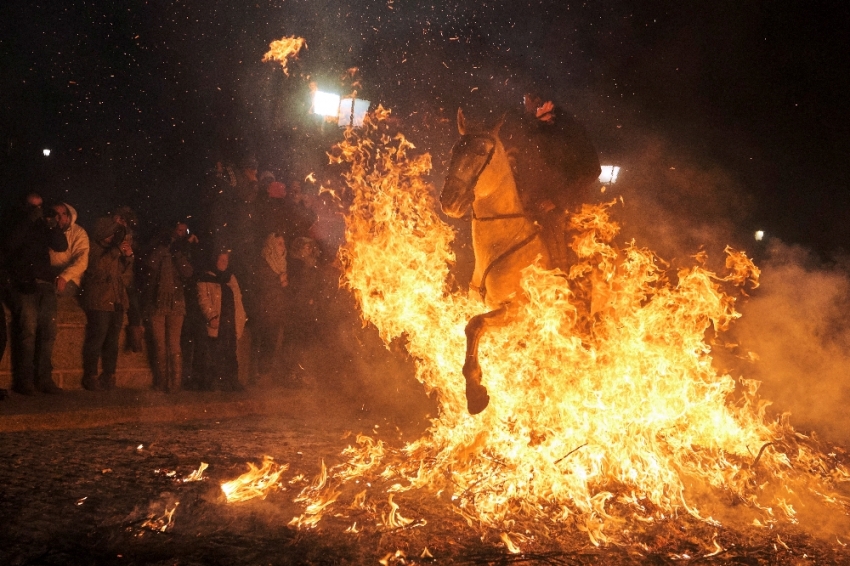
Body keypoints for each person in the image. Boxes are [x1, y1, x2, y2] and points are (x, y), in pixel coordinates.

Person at [501, 93, 601, 271]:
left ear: (541, 102)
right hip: (531, 204)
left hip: (564, 207)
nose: (525, 107)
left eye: (528, 101)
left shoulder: (569, 130)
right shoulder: (531, 130)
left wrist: (558, 200)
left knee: (556, 240)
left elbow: (591, 170)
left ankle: (565, 284)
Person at [2, 193, 69, 394]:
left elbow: (61, 245)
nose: (37, 210)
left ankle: (44, 379)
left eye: (40, 206)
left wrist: (53, 225)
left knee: (48, 332)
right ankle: (25, 380)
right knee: (28, 331)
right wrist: (27, 221)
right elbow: (9, 245)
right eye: (33, 207)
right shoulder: (12, 222)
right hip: (22, 283)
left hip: (44, 283)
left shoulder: (43, 224)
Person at [80, 216, 134, 391]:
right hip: (99, 301)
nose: (112, 236)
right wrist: (116, 252)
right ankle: (91, 375)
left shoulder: (113, 250)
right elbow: (97, 269)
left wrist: (128, 257)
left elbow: (124, 276)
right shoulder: (93, 248)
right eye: (110, 232)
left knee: (112, 341)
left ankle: (110, 374)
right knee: (97, 338)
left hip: (116, 301)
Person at [142, 223, 194, 392]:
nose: (180, 234)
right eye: (178, 230)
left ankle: (175, 384)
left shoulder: (183, 250)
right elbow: (150, 264)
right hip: (157, 301)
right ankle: (161, 381)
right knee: (159, 344)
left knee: (173, 343)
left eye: (183, 231)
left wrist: (178, 254)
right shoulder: (158, 246)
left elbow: (188, 272)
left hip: (176, 301)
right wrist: (164, 247)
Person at [195, 250, 246, 391]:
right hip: (216, 322)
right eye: (221, 260)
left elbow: (237, 299)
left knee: (230, 352)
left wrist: (240, 318)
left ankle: (232, 381)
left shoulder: (230, 278)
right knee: (213, 352)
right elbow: (203, 299)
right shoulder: (206, 277)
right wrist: (211, 316)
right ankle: (211, 382)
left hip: (229, 322)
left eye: (226, 260)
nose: (224, 263)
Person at [251, 233, 289, 385]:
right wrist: (277, 280)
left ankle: (266, 375)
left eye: (283, 243)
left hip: (277, 311)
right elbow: (260, 284)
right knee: (263, 343)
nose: (283, 246)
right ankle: (258, 375)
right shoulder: (264, 263)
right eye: (279, 243)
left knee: (272, 344)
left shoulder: (283, 263)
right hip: (265, 310)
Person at [49, 202, 89, 297]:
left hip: (70, 277)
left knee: (51, 292)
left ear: (69, 215)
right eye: (56, 214)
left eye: (63, 214)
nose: (60, 217)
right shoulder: (46, 229)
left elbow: (82, 261)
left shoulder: (78, 233)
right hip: (48, 273)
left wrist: (64, 276)